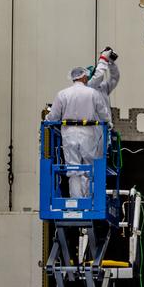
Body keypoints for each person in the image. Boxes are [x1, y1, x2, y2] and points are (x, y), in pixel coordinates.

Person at [48, 66, 110, 198]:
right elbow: (103, 114)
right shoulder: (93, 93)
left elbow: (53, 117)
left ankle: (76, 202)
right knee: (88, 167)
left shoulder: (62, 94)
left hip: (69, 134)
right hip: (88, 133)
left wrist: (46, 120)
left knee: (73, 169)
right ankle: (87, 201)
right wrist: (109, 124)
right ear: (83, 77)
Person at [88, 46, 120, 122]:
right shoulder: (88, 87)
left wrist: (111, 63)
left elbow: (114, 78)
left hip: (105, 126)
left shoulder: (102, 87)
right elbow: (99, 76)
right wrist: (103, 59)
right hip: (93, 127)